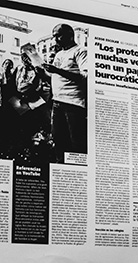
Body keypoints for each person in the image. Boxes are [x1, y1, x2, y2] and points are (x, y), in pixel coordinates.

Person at [43, 24, 87, 163]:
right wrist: (41, 72)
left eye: (58, 36)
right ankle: (61, 167)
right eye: (54, 36)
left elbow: (85, 77)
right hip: (57, 102)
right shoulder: (59, 54)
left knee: (76, 142)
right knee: (59, 139)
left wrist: (57, 70)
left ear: (70, 35)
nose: (55, 40)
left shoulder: (81, 51)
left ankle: (77, 170)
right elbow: (54, 78)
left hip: (73, 103)